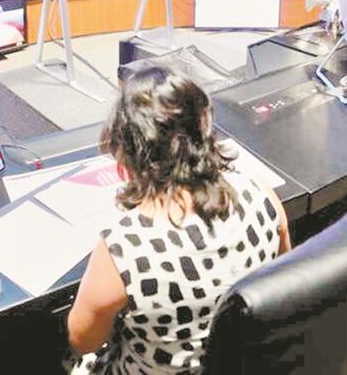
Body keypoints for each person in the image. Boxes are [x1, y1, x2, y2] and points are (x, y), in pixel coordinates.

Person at [67, 67, 291, 373]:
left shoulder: (123, 248)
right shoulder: (259, 191)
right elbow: (282, 275)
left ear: (130, 151)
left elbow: (83, 340)